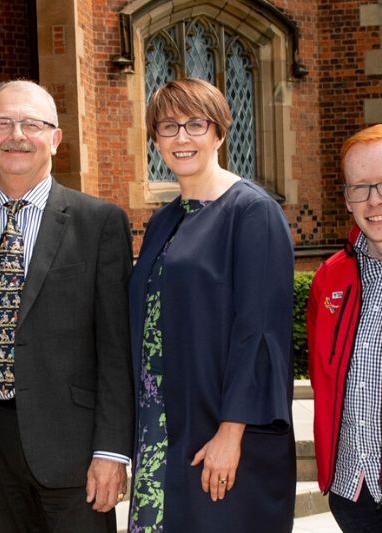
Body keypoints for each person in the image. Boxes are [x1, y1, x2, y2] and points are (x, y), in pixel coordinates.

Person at [0, 80, 134, 532]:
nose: (16, 135)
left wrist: (112, 450)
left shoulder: (99, 223)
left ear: (55, 139)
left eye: (32, 124)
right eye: (3, 123)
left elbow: (116, 348)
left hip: (76, 446)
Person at [127, 78, 296, 532]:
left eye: (195, 124)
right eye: (168, 126)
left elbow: (260, 331)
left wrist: (231, 431)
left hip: (221, 431)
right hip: (163, 427)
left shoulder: (252, 211)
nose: (181, 137)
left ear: (219, 132)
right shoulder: (164, 220)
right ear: (155, 139)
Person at [308, 124, 382, 532]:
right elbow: (324, 378)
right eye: (359, 187)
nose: (374, 200)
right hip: (353, 491)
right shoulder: (329, 279)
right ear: (346, 198)